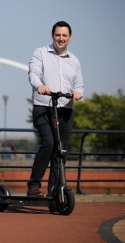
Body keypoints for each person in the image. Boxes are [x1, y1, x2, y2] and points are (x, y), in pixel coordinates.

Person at [27, 21, 84, 197]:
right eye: (58, 35)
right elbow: (33, 73)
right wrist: (40, 86)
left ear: (70, 37)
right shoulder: (40, 53)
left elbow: (80, 86)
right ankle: (34, 186)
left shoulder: (74, 61)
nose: (61, 38)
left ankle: (54, 191)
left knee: (61, 151)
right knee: (50, 143)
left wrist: (77, 93)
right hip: (44, 107)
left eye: (64, 35)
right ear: (53, 35)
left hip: (65, 110)